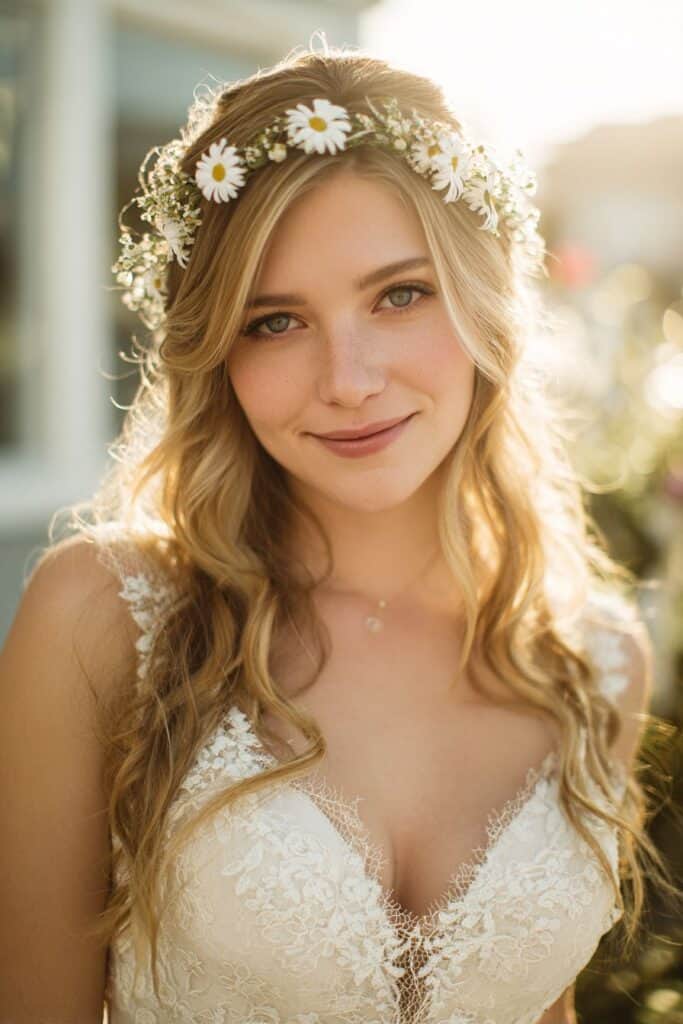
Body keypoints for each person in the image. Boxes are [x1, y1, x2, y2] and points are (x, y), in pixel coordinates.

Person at [1, 41, 677, 1024]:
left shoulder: (594, 664)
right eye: (275, 320)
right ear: (215, 353)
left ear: (484, 301)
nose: (348, 379)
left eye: (398, 294)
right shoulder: (101, 622)